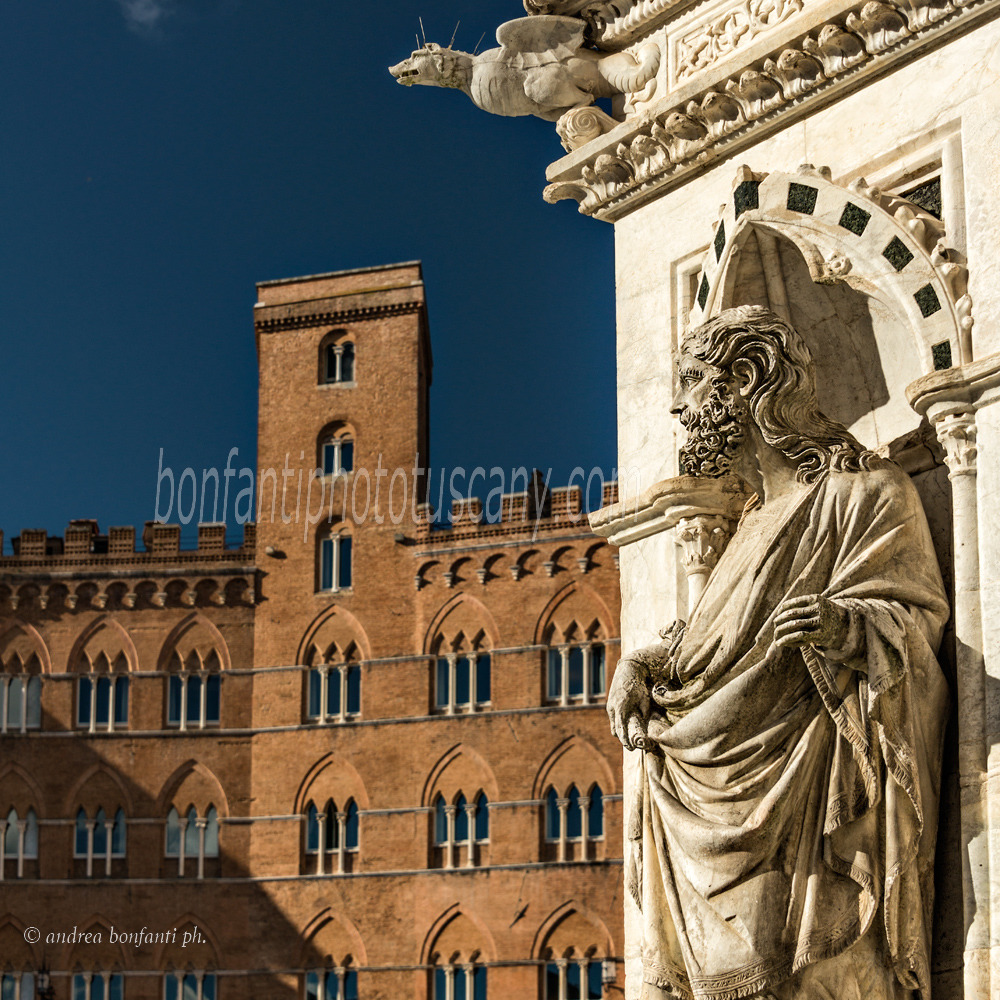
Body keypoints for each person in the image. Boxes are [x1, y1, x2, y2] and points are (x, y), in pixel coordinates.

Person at [607, 305, 948, 1000]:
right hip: (700, 813)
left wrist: (844, 627)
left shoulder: (862, 497)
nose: (676, 405)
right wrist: (643, 665)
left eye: (692, 381)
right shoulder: (740, 532)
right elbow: (706, 655)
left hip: (808, 814)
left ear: (748, 378)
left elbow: (916, 625)